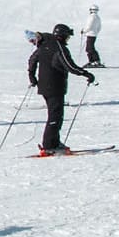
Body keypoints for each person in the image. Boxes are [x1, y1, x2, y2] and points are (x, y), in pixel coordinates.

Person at [28, 25, 94, 154]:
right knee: (55, 116)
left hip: (45, 86)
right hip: (55, 86)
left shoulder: (44, 45)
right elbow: (70, 66)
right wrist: (86, 74)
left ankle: (54, 142)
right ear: (62, 36)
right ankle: (49, 145)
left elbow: (32, 60)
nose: (68, 40)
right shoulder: (59, 48)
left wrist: (32, 76)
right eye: (68, 37)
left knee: (55, 115)